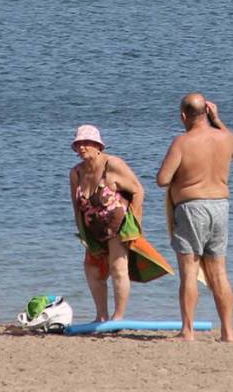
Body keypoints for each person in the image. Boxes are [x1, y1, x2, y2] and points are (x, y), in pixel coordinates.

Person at [156, 93, 233, 342]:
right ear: (207, 112)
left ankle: (188, 330)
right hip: (220, 207)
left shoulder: (182, 142)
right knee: (219, 271)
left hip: (191, 208)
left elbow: (162, 179)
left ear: (183, 116)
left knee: (189, 270)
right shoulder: (224, 137)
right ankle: (228, 332)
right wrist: (218, 121)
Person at [69, 124, 156, 322]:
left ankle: (118, 316)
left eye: (87, 142)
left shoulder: (112, 164)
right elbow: (76, 206)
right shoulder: (76, 173)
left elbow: (138, 191)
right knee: (92, 271)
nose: (82, 147)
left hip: (119, 226)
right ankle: (101, 316)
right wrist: (82, 233)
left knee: (118, 268)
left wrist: (136, 225)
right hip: (94, 230)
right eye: (78, 144)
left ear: (98, 146)